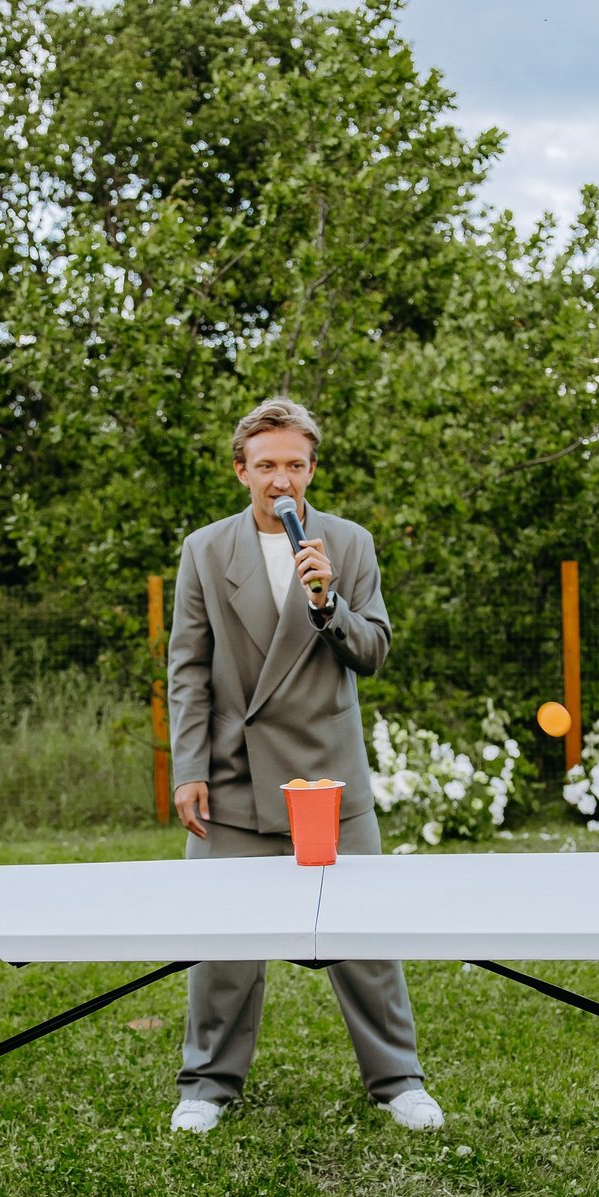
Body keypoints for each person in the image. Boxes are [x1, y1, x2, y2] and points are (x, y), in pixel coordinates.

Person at [164, 397, 440, 1135]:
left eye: (293, 464)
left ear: (311, 469)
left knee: (362, 938)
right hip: (231, 776)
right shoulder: (204, 549)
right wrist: (189, 764)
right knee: (221, 942)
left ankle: (398, 1079)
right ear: (240, 471)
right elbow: (188, 668)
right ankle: (207, 1083)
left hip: (327, 780)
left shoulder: (347, 544)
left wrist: (327, 602)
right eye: (265, 466)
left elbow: (374, 652)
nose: (279, 479)